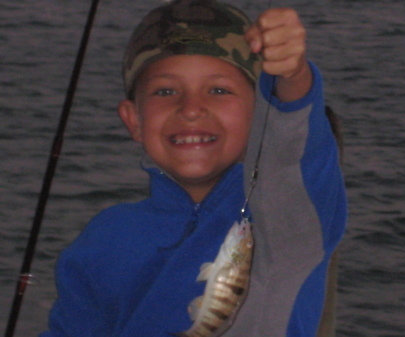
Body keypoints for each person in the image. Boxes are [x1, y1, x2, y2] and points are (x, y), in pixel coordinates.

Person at [40, 0, 347, 336]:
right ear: (133, 119)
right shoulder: (102, 240)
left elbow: (298, 147)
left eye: (219, 90)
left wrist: (293, 74)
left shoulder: (289, 214)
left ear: (262, 112)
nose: (190, 108)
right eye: (165, 91)